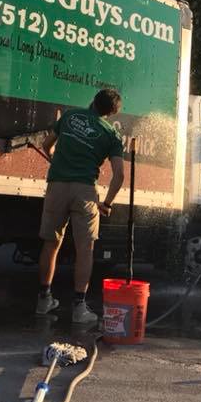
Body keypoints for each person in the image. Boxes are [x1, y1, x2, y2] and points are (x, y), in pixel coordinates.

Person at [35, 89, 125, 324]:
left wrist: (56, 160)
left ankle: (44, 300)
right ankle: (79, 308)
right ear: (111, 113)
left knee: (51, 243)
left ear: (93, 101)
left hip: (56, 186)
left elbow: (46, 145)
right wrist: (107, 203)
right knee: (85, 249)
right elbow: (119, 176)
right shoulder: (111, 134)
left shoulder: (70, 116)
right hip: (84, 191)